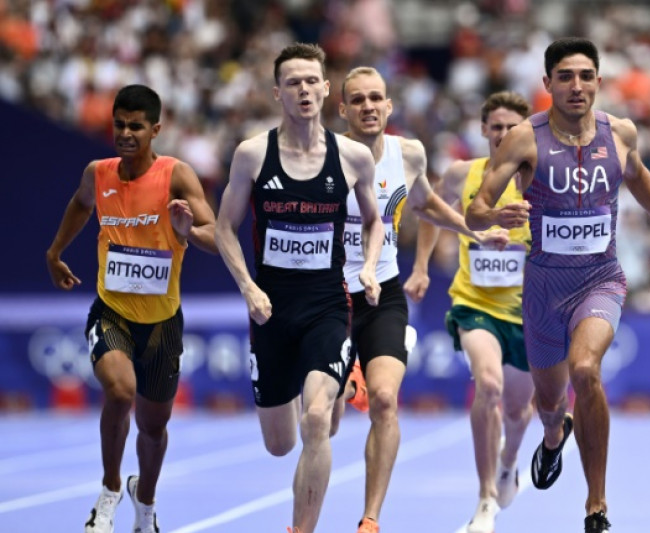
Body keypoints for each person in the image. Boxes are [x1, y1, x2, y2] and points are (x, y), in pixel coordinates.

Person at [466, 37, 650, 533]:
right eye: (565, 77)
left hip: (601, 279)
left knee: (586, 369)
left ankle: (596, 505)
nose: (576, 86)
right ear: (547, 84)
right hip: (544, 287)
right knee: (549, 403)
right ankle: (554, 436)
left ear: (598, 81)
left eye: (586, 76)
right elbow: (474, 209)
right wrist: (495, 213)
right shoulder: (525, 138)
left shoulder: (621, 133)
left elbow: (637, 179)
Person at [214, 43, 384, 533]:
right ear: (278, 93)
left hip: (327, 305)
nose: (304, 90)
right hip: (270, 310)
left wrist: (369, 267)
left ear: (327, 89)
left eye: (312, 81)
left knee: (315, 420)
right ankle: (332, 383)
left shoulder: (352, 157)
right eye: (293, 83)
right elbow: (226, 227)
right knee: (280, 444)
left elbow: (374, 222)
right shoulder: (252, 154)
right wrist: (247, 286)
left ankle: (300, 530)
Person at [330, 66, 508, 533]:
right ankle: (348, 386)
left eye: (377, 98)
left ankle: (370, 519)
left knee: (387, 400)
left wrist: (474, 231)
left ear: (389, 106)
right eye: (359, 100)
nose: (369, 106)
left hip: (383, 291)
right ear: (342, 109)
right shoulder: (324, 158)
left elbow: (427, 204)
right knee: (319, 420)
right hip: (327, 296)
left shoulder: (407, 153)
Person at [46, 84, 217, 533]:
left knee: (153, 427)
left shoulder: (177, 176)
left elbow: (217, 236)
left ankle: (146, 503)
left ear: (155, 129)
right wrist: (55, 252)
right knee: (119, 392)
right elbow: (81, 205)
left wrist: (186, 231)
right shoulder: (97, 173)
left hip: (162, 323)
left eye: (136, 126)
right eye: (119, 124)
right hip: (111, 311)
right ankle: (108, 491)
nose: (125, 133)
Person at [407, 91, 536, 533]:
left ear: (525, 131)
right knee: (489, 383)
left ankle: (509, 461)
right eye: (495, 126)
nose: (502, 134)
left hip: (529, 314)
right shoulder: (463, 174)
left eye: (511, 127)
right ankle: (484, 501)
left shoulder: (542, 178)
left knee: (520, 411)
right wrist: (422, 265)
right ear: (483, 130)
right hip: (474, 305)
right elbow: (428, 209)